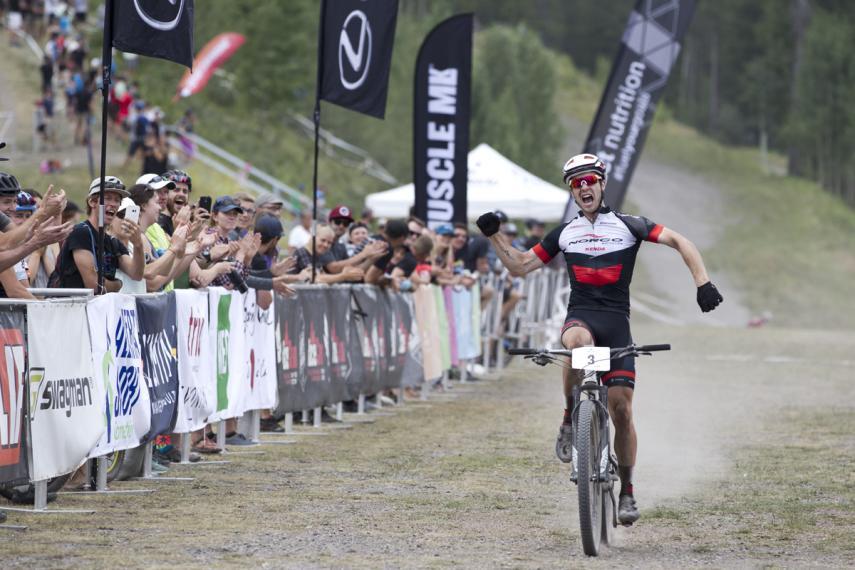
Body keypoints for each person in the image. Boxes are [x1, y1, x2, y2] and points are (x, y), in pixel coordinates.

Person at [475, 153, 724, 526]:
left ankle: (627, 491)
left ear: (602, 183)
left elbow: (679, 240)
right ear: (571, 192)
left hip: (617, 325)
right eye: (576, 183)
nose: (584, 187)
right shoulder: (565, 233)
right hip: (582, 317)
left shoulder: (628, 225)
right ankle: (568, 418)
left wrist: (703, 283)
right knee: (577, 342)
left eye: (589, 180)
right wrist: (494, 235)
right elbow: (521, 266)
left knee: (622, 411)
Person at [55, 176, 144, 292]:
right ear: (92, 202)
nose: (113, 204)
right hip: (69, 306)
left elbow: (136, 274)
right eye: (108, 198)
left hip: (97, 307)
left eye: (117, 200)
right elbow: (95, 285)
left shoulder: (113, 242)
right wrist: (118, 284)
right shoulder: (81, 232)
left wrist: (138, 245)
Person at [320, 205, 387, 274]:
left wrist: (372, 258)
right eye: (338, 222)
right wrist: (364, 254)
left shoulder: (341, 246)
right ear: (329, 222)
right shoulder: (322, 241)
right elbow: (334, 268)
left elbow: (351, 271)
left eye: (346, 223)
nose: (341, 226)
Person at [289, 225, 363, 284]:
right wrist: (343, 276)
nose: (325, 245)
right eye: (323, 240)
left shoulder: (318, 255)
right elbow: (316, 278)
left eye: (329, 243)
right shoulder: (302, 252)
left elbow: (325, 278)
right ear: (313, 238)